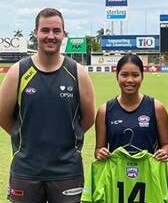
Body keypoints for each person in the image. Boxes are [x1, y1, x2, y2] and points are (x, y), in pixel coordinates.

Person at [0, 8, 95, 203]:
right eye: (45, 30)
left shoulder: (77, 73)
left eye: (56, 31)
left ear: (63, 34)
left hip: (67, 171)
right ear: (36, 33)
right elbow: (2, 116)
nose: (50, 36)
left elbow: (88, 118)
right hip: (26, 170)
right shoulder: (18, 71)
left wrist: (66, 138)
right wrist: (25, 136)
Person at [95, 53, 168, 161]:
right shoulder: (104, 111)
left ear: (142, 77)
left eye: (135, 75)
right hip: (117, 175)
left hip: (147, 175)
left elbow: (166, 145)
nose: (130, 80)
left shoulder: (157, 108)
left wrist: (164, 152)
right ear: (117, 76)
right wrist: (100, 153)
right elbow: (98, 149)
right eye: (124, 75)